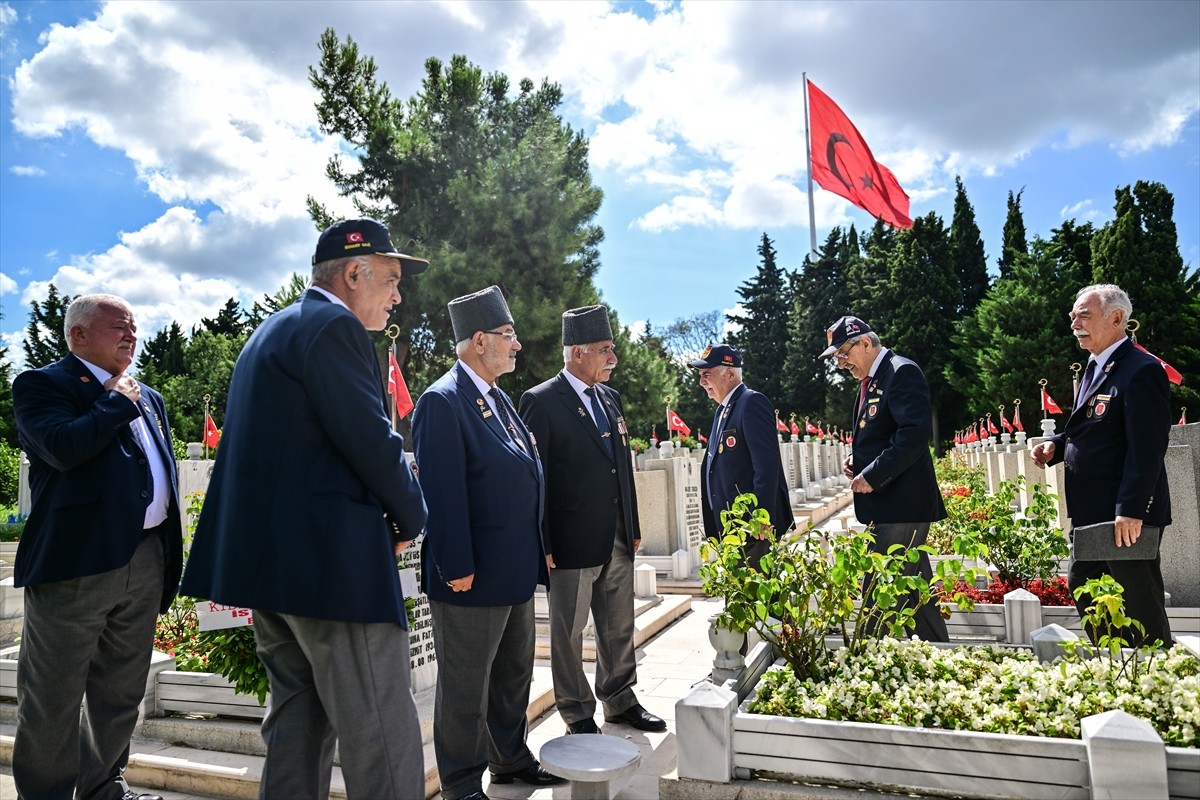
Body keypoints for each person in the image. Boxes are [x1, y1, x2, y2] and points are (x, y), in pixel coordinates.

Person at [179, 219, 430, 799]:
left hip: (277, 573)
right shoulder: (333, 328)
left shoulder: (272, 330)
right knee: (382, 736)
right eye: (391, 279)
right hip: (332, 573)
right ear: (351, 272)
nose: (398, 296)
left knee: (297, 726)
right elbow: (370, 440)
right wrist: (413, 519)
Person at [12, 293, 183, 800]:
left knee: (121, 692)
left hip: (147, 558)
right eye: (118, 328)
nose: (130, 337)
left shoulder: (148, 395)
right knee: (53, 697)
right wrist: (114, 402)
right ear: (79, 335)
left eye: (134, 328)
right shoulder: (44, 385)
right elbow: (64, 449)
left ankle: (103, 788)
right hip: (76, 567)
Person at [412, 286, 564, 800]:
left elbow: (526, 476)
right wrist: (456, 563)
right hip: (470, 574)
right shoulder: (442, 400)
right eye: (508, 335)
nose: (516, 345)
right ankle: (460, 783)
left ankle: (510, 760)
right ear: (479, 341)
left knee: (513, 673)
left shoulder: (497, 398)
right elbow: (443, 492)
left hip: (515, 567)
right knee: (465, 687)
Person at [518, 305, 666, 736]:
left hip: (617, 536)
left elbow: (622, 466)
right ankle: (577, 712)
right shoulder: (541, 401)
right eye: (605, 350)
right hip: (569, 540)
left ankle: (620, 700)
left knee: (619, 626)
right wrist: (541, 540)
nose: (613, 359)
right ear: (578, 352)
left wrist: (633, 526)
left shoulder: (611, 399)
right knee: (567, 633)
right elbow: (535, 476)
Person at [1032, 284, 1173, 648]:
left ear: (1116, 318)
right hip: (1091, 512)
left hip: (1122, 515)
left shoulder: (1141, 370)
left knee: (1139, 602)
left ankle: (1158, 673)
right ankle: (1116, 666)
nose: (1075, 324)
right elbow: (1094, 431)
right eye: (1073, 316)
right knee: (1084, 587)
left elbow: (1147, 448)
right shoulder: (1095, 366)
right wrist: (1056, 446)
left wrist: (1130, 509)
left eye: (1084, 315)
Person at [820, 316, 948, 642]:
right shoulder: (873, 380)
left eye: (843, 353)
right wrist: (859, 461)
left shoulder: (900, 372)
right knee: (913, 587)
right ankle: (937, 650)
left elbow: (913, 435)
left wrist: (874, 475)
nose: (840, 362)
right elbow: (880, 434)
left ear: (866, 343)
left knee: (881, 583)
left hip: (901, 502)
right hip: (891, 504)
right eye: (835, 357)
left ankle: (866, 656)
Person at [689, 344, 793, 565]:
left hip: (753, 529)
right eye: (700, 375)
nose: (701, 382)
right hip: (732, 529)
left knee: (756, 597)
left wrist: (761, 516)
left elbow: (766, 465)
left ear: (730, 373)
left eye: (707, 374)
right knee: (741, 597)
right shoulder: (723, 410)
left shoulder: (751, 402)